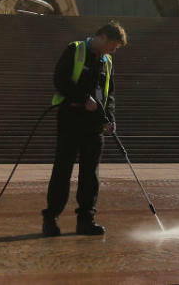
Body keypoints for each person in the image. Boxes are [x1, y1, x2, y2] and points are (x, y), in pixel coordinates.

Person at [41, 21, 127, 237]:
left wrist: (110, 118)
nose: (113, 51)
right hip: (71, 118)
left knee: (90, 174)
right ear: (104, 37)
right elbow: (60, 81)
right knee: (63, 170)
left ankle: (86, 220)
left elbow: (109, 95)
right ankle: (51, 218)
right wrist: (82, 98)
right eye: (113, 46)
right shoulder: (75, 50)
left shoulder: (107, 61)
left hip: (94, 125)